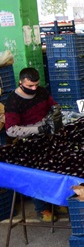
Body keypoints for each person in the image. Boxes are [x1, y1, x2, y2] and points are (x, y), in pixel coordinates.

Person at [4, 68, 61, 221]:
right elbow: (10, 130)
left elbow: (52, 104)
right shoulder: (13, 102)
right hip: (27, 143)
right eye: (30, 86)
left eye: (36, 85)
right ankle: (41, 209)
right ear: (20, 83)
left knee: (56, 168)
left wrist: (55, 110)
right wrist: (37, 129)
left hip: (47, 137)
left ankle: (56, 202)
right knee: (37, 175)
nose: (34, 89)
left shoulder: (42, 92)